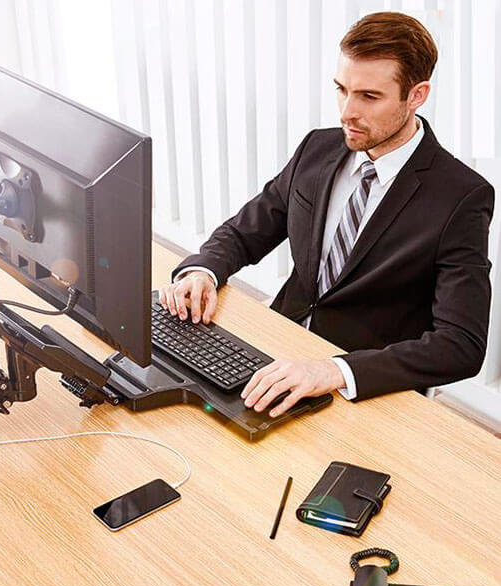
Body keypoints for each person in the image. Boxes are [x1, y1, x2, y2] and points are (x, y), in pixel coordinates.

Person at [158, 11, 494, 419]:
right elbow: (246, 232)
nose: (347, 112)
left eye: (369, 97)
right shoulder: (317, 149)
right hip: (277, 353)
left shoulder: (460, 195)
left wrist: (333, 370)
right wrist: (202, 272)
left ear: (417, 95)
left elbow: (460, 345)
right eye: (341, 89)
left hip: (362, 388)